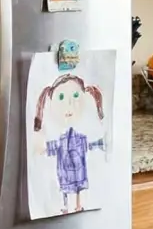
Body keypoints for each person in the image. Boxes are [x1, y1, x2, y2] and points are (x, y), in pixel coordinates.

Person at [33, 74, 106, 214]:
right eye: (61, 98)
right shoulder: (62, 138)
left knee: (78, 189)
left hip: (78, 171)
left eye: (76, 96)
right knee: (65, 190)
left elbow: (89, 145)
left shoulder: (80, 135)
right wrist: (43, 148)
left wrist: (100, 144)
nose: (69, 104)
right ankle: (66, 206)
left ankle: (78, 205)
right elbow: (53, 147)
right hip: (65, 172)